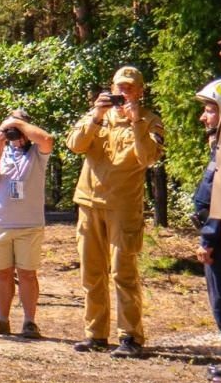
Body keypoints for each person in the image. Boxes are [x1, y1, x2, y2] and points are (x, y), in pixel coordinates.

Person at [65, 65, 164, 357]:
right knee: (92, 272)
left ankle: (130, 337)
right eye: (120, 87)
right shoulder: (98, 115)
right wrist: (95, 115)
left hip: (124, 208)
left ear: (140, 91)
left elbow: (148, 158)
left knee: (123, 273)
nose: (124, 92)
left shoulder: (150, 122)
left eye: (130, 88)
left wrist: (135, 123)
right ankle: (95, 334)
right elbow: (75, 145)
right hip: (89, 203)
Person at [0, 110, 54, 337]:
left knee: (28, 274)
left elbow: (47, 139)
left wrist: (16, 122)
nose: (14, 134)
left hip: (29, 225)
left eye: (18, 130)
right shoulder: (0, 152)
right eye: (10, 129)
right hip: (0, 224)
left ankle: (30, 322)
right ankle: (2, 319)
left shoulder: (37, 152)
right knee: (3, 273)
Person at [194, 79, 221, 355]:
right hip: (215, 231)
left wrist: (209, 237)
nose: (203, 116)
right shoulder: (216, 146)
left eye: (210, 109)